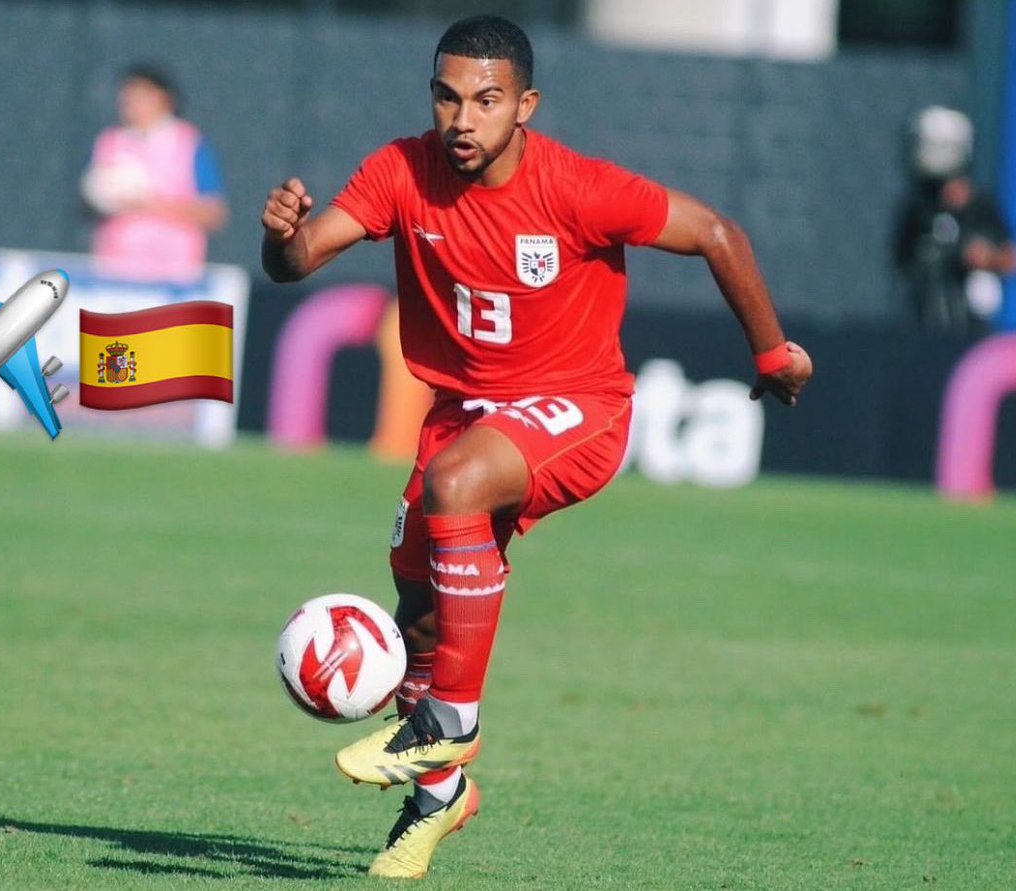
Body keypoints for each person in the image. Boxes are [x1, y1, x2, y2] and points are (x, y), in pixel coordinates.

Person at [261, 15, 812, 879]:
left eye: (486, 100)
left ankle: (450, 723)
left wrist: (774, 351)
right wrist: (280, 235)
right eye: (448, 97)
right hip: (463, 412)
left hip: (580, 408)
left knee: (456, 482)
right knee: (419, 624)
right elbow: (295, 264)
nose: (462, 119)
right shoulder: (400, 170)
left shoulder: (578, 188)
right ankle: (441, 799)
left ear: (526, 105)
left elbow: (716, 232)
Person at [81, 64, 228, 284]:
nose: (131, 103)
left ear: (164, 99)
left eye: (141, 96)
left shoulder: (189, 142)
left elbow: (214, 213)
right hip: (116, 270)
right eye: (127, 96)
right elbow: (94, 197)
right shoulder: (109, 141)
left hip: (174, 274)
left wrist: (146, 205)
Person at [894, 105, 1016, 333]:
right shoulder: (918, 208)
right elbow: (900, 259)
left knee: (983, 290)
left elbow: (1013, 260)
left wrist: (983, 258)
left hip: (969, 319)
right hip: (925, 313)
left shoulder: (980, 205)